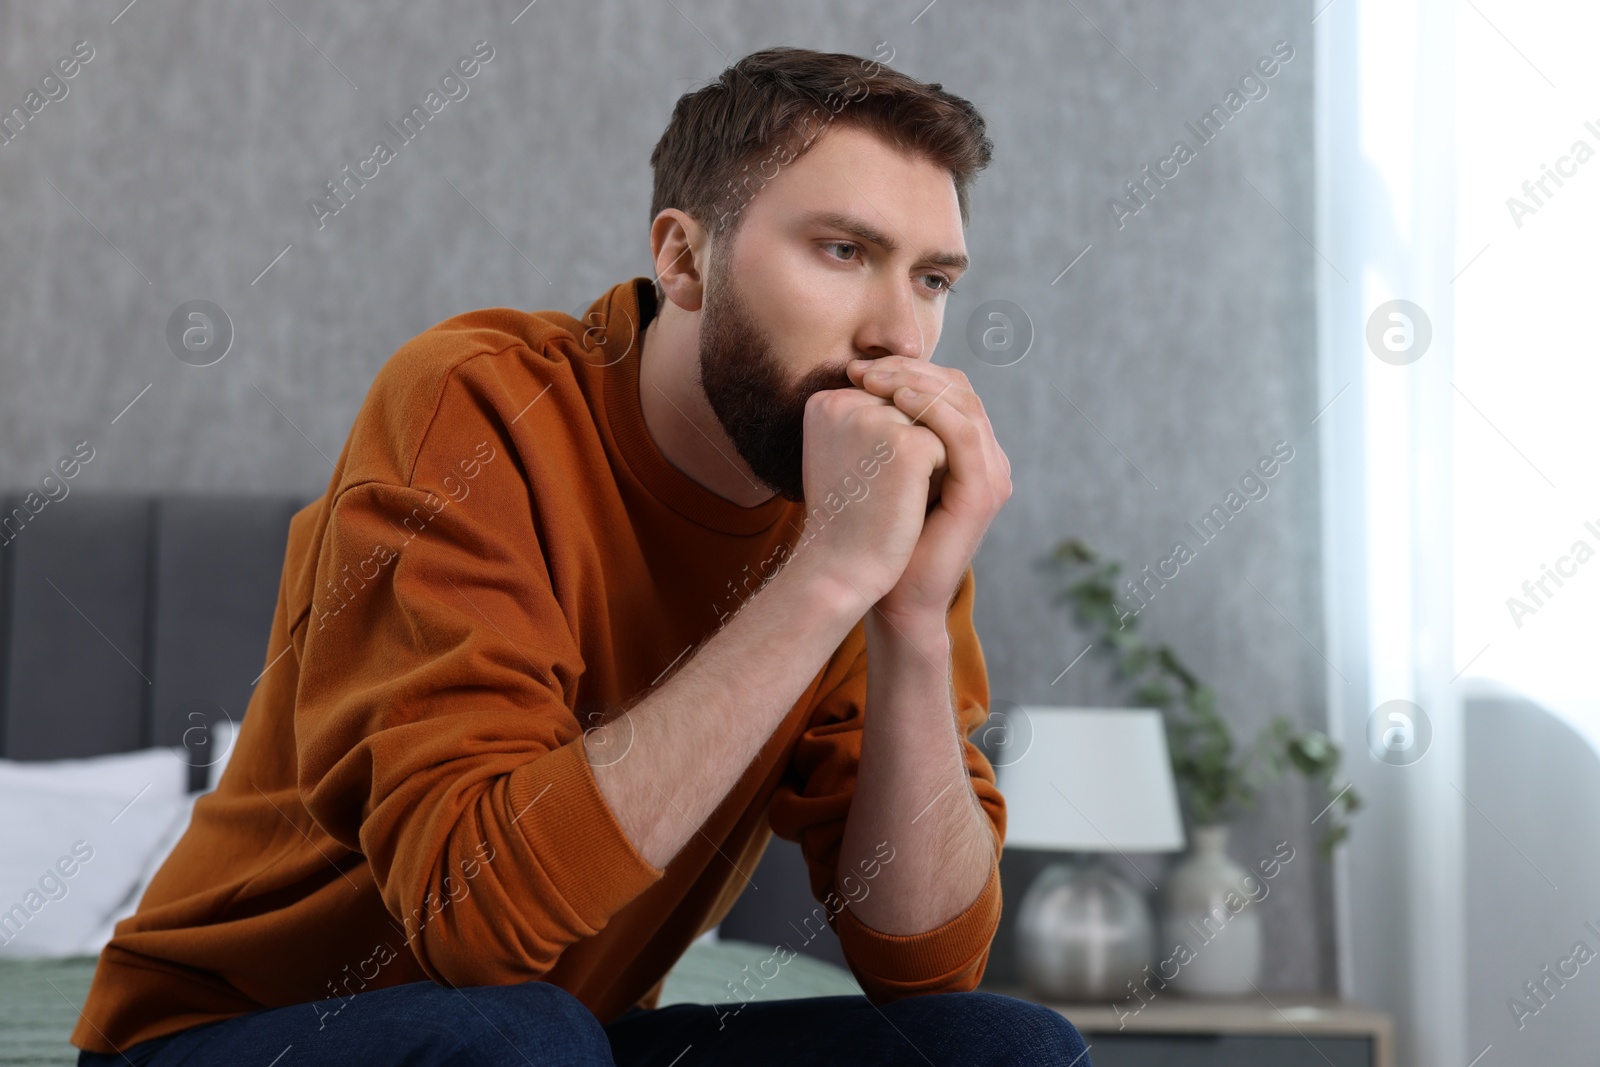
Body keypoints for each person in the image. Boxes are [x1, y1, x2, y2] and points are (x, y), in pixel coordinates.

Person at [72, 45, 1089, 1066]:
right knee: (521, 1034)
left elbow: (926, 965)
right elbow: (475, 922)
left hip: (573, 1043)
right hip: (230, 1035)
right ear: (683, 259)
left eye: (933, 278)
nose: (898, 334)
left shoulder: (870, 515)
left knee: (1007, 1047)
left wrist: (908, 618)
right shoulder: (476, 407)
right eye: (840, 250)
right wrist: (824, 578)